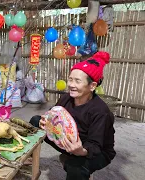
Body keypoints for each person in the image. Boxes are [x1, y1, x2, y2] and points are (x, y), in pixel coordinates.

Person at [30, 51, 116, 180]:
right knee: (35, 121)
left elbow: (96, 145)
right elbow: (53, 116)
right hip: (67, 140)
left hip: (95, 151)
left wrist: (81, 151)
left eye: (77, 81)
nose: (71, 85)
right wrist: (45, 121)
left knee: (75, 168)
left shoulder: (100, 111)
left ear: (92, 86)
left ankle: (75, 161)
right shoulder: (66, 98)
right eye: (70, 79)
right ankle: (30, 159)